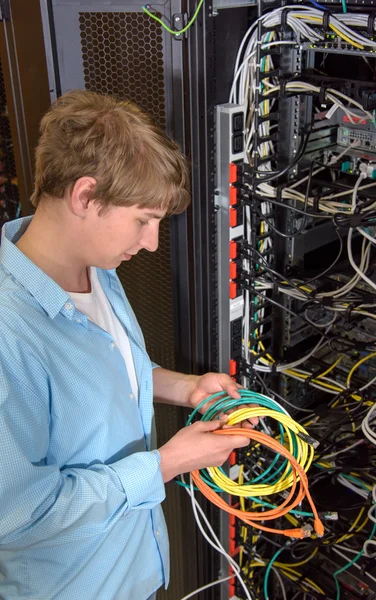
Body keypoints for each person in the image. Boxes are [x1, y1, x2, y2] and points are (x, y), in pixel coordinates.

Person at [0, 91, 251, 600]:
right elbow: (16, 514)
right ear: (85, 196)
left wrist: (187, 388)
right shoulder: (10, 333)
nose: (153, 241)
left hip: (132, 571)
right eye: (143, 219)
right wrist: (165, 464)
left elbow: (113, 369)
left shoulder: (96, 268)